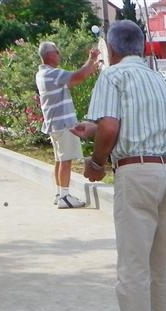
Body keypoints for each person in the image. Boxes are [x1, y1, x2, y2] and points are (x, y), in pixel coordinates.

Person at [71, 20, 166, 311]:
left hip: (135, 174)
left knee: (133, 266)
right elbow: (123, 126)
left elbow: (113, 127)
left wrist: (97, 162)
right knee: (161, 264)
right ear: (142, 46)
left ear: (111, 48)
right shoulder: (156, 80)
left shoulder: (113, 76)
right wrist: (95, 130)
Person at [35, 41, 100, 209]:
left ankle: (60, 193)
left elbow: (76, 78)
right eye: (57, 52)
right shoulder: (52, 74)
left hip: (54, 124)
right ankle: (64, 196)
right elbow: (77, 76)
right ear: (49, 55)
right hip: (64, 124)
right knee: (66, 160)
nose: (59, 55)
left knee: (59, 160)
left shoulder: (42, 74)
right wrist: (91, 59)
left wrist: (90, 67)